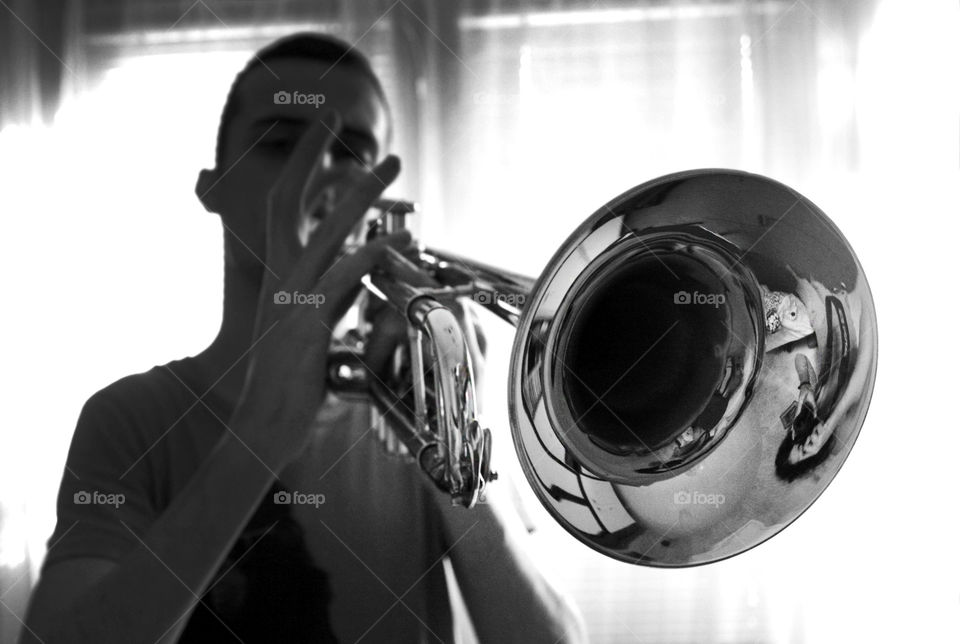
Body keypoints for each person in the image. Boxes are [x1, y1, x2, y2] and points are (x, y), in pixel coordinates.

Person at [21, 33, 585, 643]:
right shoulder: (130, 419)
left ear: (376, 205)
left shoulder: (429, 412)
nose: (316, 173)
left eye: (351, 152)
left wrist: (455, 442)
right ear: (214, 187)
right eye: (280, 143)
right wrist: (262, 431)